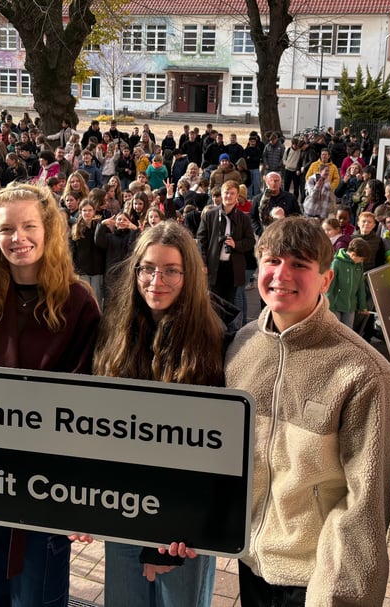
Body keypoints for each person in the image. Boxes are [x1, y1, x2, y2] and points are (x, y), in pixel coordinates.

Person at [225, 216, 390, 607]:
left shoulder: (365, 373)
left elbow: (365, 509)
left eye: (300, 265)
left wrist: (339, 598)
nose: (281, 274)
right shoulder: (242, 346)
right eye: (272, 261)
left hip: (315, 579)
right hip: (251, 560)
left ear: (326, 279)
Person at [0, 183, 101, 607]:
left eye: (29, 225)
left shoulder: (79, 304)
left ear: (48, 229)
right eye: (6, 229)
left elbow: (89, 404)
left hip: (44, 488)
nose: (19, 238)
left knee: (37, 599)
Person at [94, 221, 235, 607]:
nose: (157, 280)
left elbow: (214, 450)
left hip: (183, 526)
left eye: (171, 270)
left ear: (190, 274)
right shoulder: (116, 330)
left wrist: (175, 530)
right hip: (123, 511)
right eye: (148, 268)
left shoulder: (216, 340)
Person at [197, 180, 255, 307]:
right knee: (212, 303)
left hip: (233, 268)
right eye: (226, 193)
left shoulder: (243, 218)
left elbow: (250, 241)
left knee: (230, 304)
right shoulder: (210, 215)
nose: (228, 196)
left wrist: (236, 245)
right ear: (222, 194)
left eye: (232, 193)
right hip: (213, 266)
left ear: (237, 196)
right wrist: (203, 262)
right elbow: (201, 240)